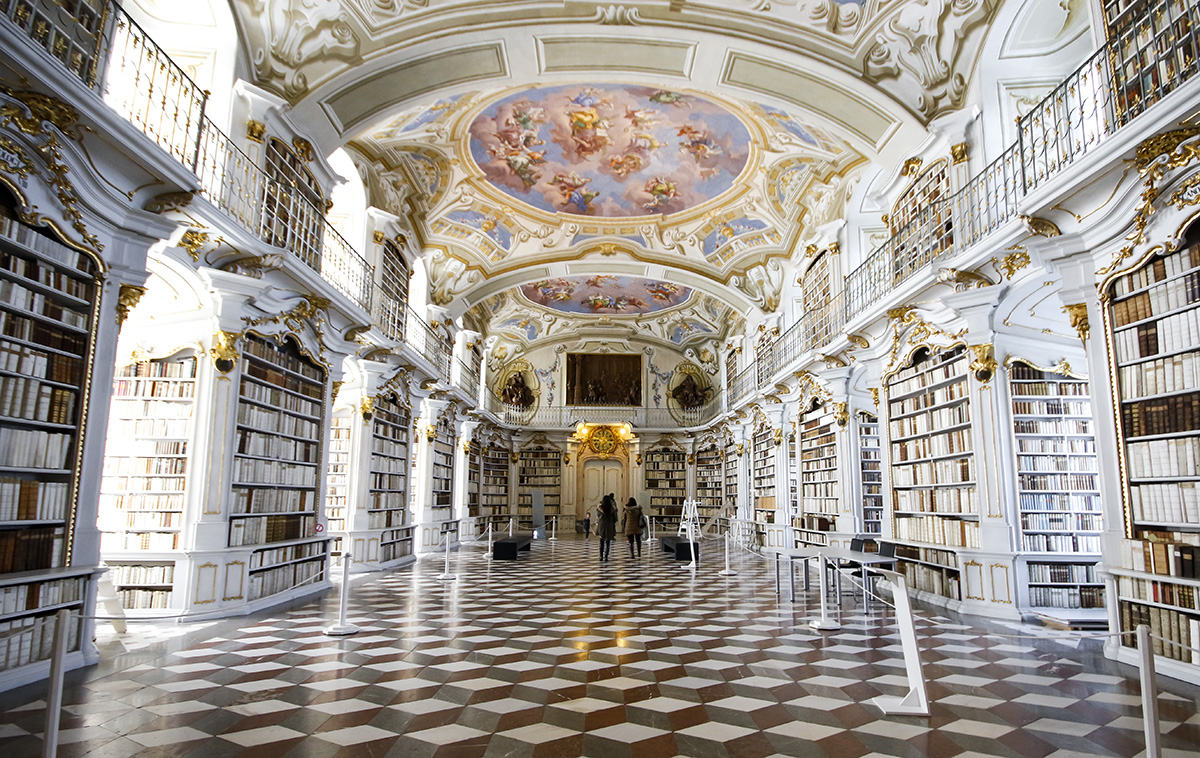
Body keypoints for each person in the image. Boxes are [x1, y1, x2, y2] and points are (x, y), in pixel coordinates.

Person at [596, 494, 617, 561]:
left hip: (602, 526)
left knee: (601, 542)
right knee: (608, 542)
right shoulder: (612, 508)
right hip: (609, 525)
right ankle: (606, 556)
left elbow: (598, 516)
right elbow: (615, 518)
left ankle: (601, 556)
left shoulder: (600, 508)